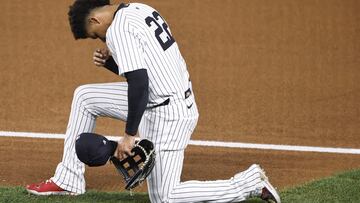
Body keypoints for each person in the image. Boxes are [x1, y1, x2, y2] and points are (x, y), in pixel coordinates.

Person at [26, 1, 281, 202]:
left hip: (168, 115)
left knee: (164, 197)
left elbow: (139, 84)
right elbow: (149, 70)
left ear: (95, 19)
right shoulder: (139, 9)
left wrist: (128, 136)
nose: (101, 40)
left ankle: (249, 183)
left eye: (95, 35)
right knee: (85, 97)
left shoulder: (118, 30)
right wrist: (112, 64)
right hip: (167, 96)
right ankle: (69, 179)